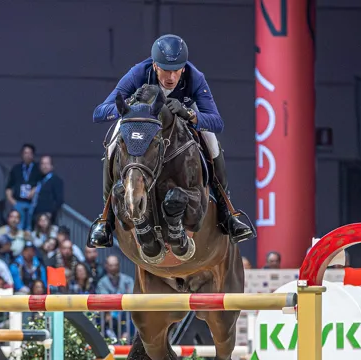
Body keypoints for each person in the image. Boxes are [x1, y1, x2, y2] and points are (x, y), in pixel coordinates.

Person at [87, 34, 253, 247]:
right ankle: (106, 218)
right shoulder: (138, 73)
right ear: (155, 65)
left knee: (212, 143)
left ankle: (227, 211)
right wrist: (131, 102)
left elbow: (217, 122)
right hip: (143, 121)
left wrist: (190, 115)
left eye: (177, 70)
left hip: (181, 118)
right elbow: (100, 113)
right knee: (112, 143)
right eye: (166, 69)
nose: (172, 77)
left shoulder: (195, 77)